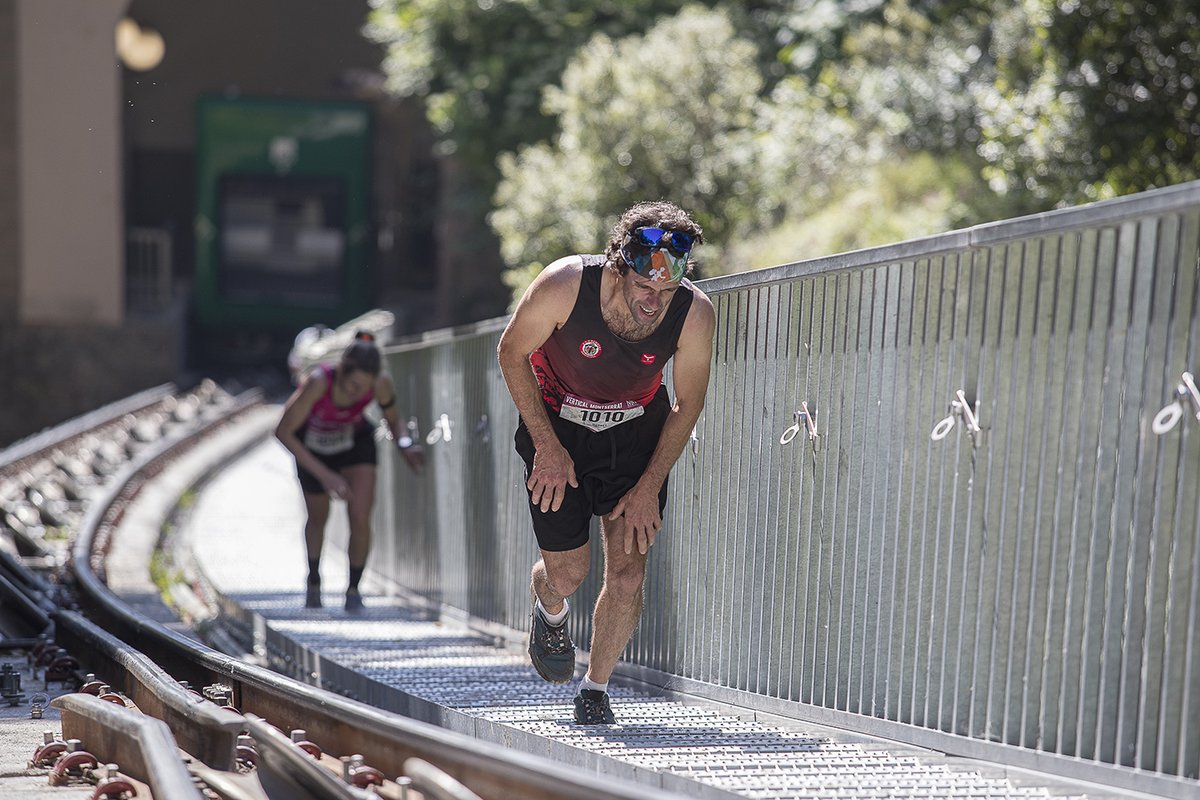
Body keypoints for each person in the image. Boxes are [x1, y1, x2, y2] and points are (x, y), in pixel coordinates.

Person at [496, 200, 716, 724]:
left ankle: (594, 690)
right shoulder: (566, 284)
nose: (654, 302)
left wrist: (649, 486)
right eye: (644, 287)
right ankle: (548, 603)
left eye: (667, 290)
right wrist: (546, 445)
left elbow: (687, 403)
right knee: (569, 573)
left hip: (635, 434)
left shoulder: (693, 313)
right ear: (618, 266)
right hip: (558, 430)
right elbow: (511, 351)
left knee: (628, 572)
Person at [276, 331, 424, 611]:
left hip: (354, 442)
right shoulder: (319, 382)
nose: (357, 393)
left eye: (363, 389)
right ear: (342, 371)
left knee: (360, 515)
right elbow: (283, 431)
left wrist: (406, 446)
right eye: (353, 386)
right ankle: (314, 580)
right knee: (318, 517)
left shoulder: (380, 382)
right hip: (313, 448)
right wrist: (325, 475)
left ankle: (354, 589)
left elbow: (394, 421)